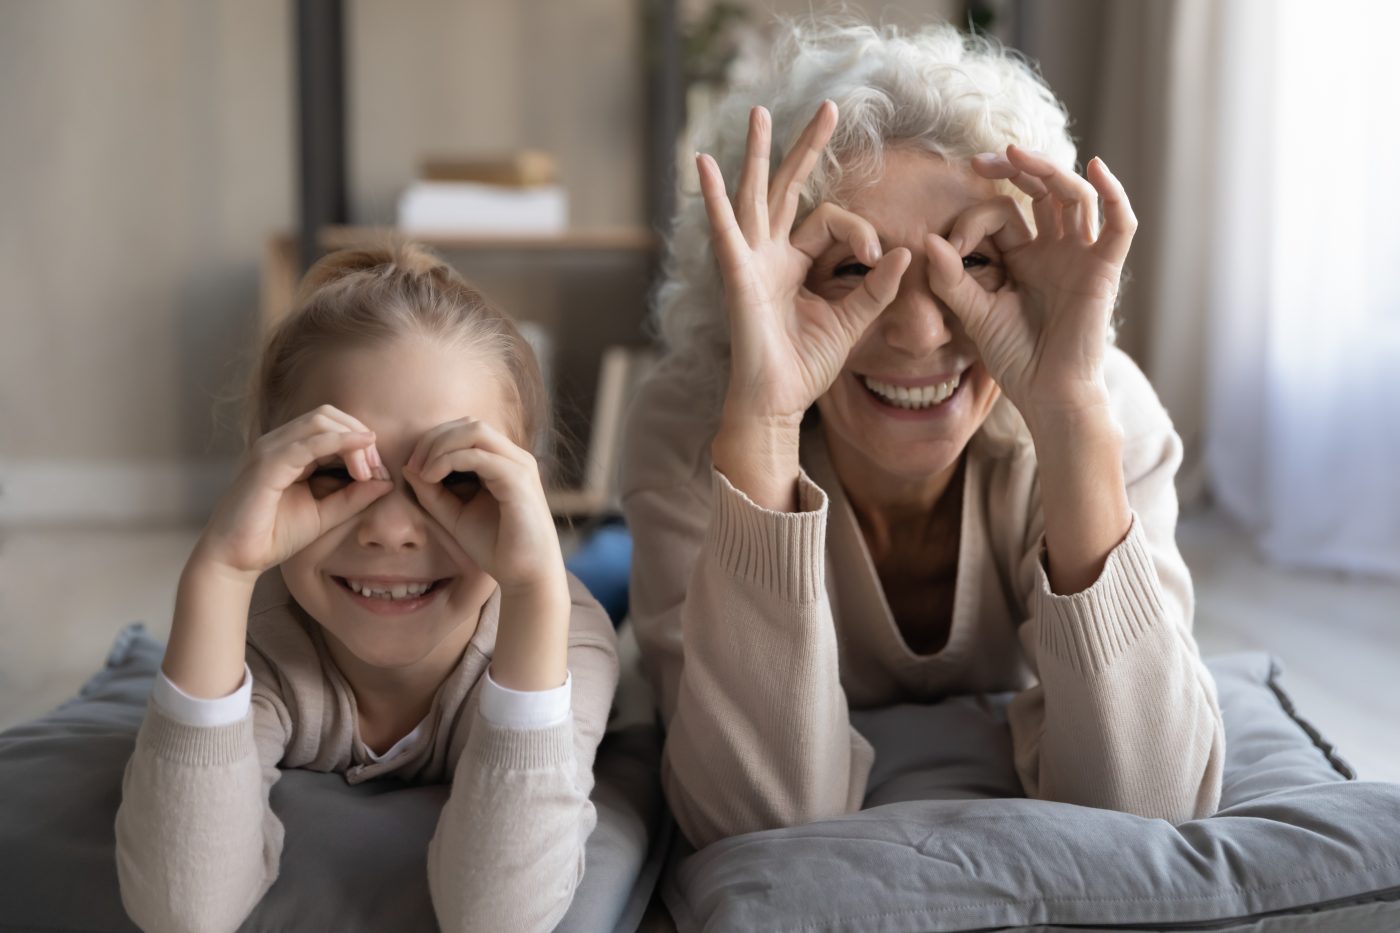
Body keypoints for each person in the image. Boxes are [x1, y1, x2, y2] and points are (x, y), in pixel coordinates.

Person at [620, 19, 1225, 851]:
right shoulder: (691, 422)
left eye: (973, 262)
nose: (917, 332)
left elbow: (1150, 804)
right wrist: (762, 427)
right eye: (852, 267)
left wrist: (1069, 417)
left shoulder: (1102, 410)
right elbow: (754, 824)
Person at [114, 242, 619, 932]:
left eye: (458, 478)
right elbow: (182, 909)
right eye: (337, 469)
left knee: (617, 573)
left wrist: (535, 594)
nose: (390, 530)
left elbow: (498, 916)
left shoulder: (563, 636)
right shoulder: (265, 635)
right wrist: (220, 574)